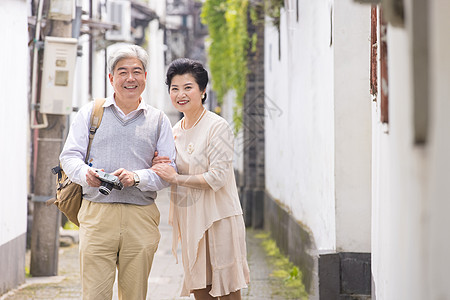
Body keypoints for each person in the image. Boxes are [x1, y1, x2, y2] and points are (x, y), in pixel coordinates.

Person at [59, 44, 176, 300]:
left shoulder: (158, 120)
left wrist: (137, 177)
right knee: (95, 295)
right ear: (111, 78)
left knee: (135, 295)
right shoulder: (92, 112)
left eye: (137, 71)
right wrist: (84, 174)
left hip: (141, 217)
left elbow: (169, 170)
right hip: (97, 215)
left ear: (145, 77)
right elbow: (69, 156)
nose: (130, 78)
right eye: (123, 72)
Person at [152, 58, 250, 300]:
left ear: (203, 91)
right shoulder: (173, 132)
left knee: (227, 291)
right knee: (200, 291)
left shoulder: (218, 127)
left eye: (188, 87)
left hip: (219, 219)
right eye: (174, 88)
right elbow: (165, 168)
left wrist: (176, 178)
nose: (180, 94)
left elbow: (217, 177)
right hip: (191, 221)